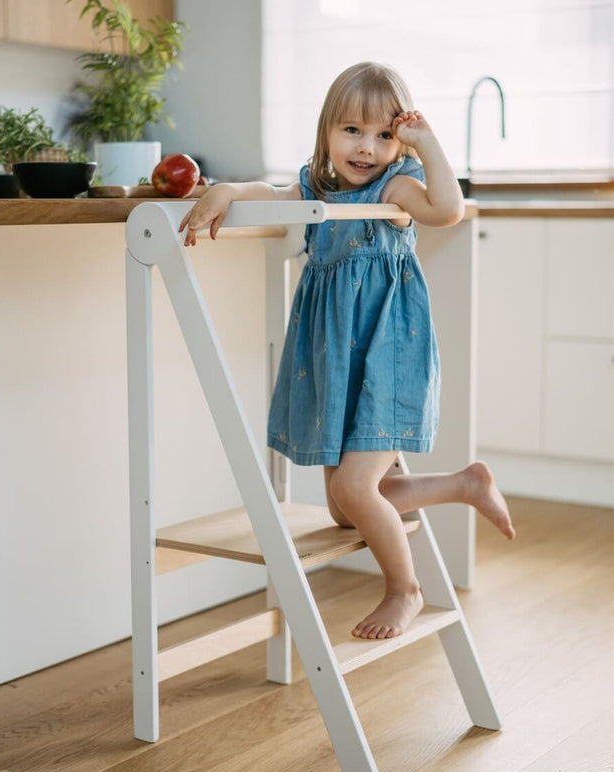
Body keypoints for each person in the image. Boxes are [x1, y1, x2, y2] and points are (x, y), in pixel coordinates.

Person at [179, 61, 515, 641]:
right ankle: (465, 484)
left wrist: (427, 145)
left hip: (387, 357)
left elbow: (447, 209)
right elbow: (271, 195)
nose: (367, 147)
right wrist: (228, 190)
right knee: (344, 504)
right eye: (352, 131)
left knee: (354, 490)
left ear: (400, 140)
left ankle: (404, 589)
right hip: (339, 362)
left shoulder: (397, 186)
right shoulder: (314, 187)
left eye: (385, 134)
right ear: (326, 132)